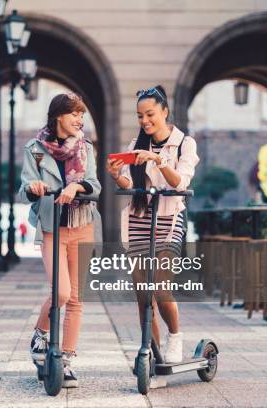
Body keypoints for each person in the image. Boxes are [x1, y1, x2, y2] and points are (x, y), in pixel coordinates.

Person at [106, 85, 199, 363]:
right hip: (139, 219)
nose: (144, 121)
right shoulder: (135, 145)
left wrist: (158, 160)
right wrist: (115, 176)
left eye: (150, 114)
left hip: (169, 219)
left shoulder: (184, 143)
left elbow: (180, 182)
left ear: (164, 112)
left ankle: (175, 336)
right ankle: (152, 354)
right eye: (140, 116)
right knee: (143, 295)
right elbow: (131, 183)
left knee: (160, 287)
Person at [19, 92, 102, 388]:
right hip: (52, 228)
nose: (80, 119)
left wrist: (77, 187)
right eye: (74, 114)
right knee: (62, 293)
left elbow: (95, 186)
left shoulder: (85, 147)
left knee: (77, 299)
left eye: (81, 114)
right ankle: (40, 335)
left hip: (83, 225)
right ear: (59, 117)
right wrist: (34, 187)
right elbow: (24, 188)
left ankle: (65, 361)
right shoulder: (36, 149)